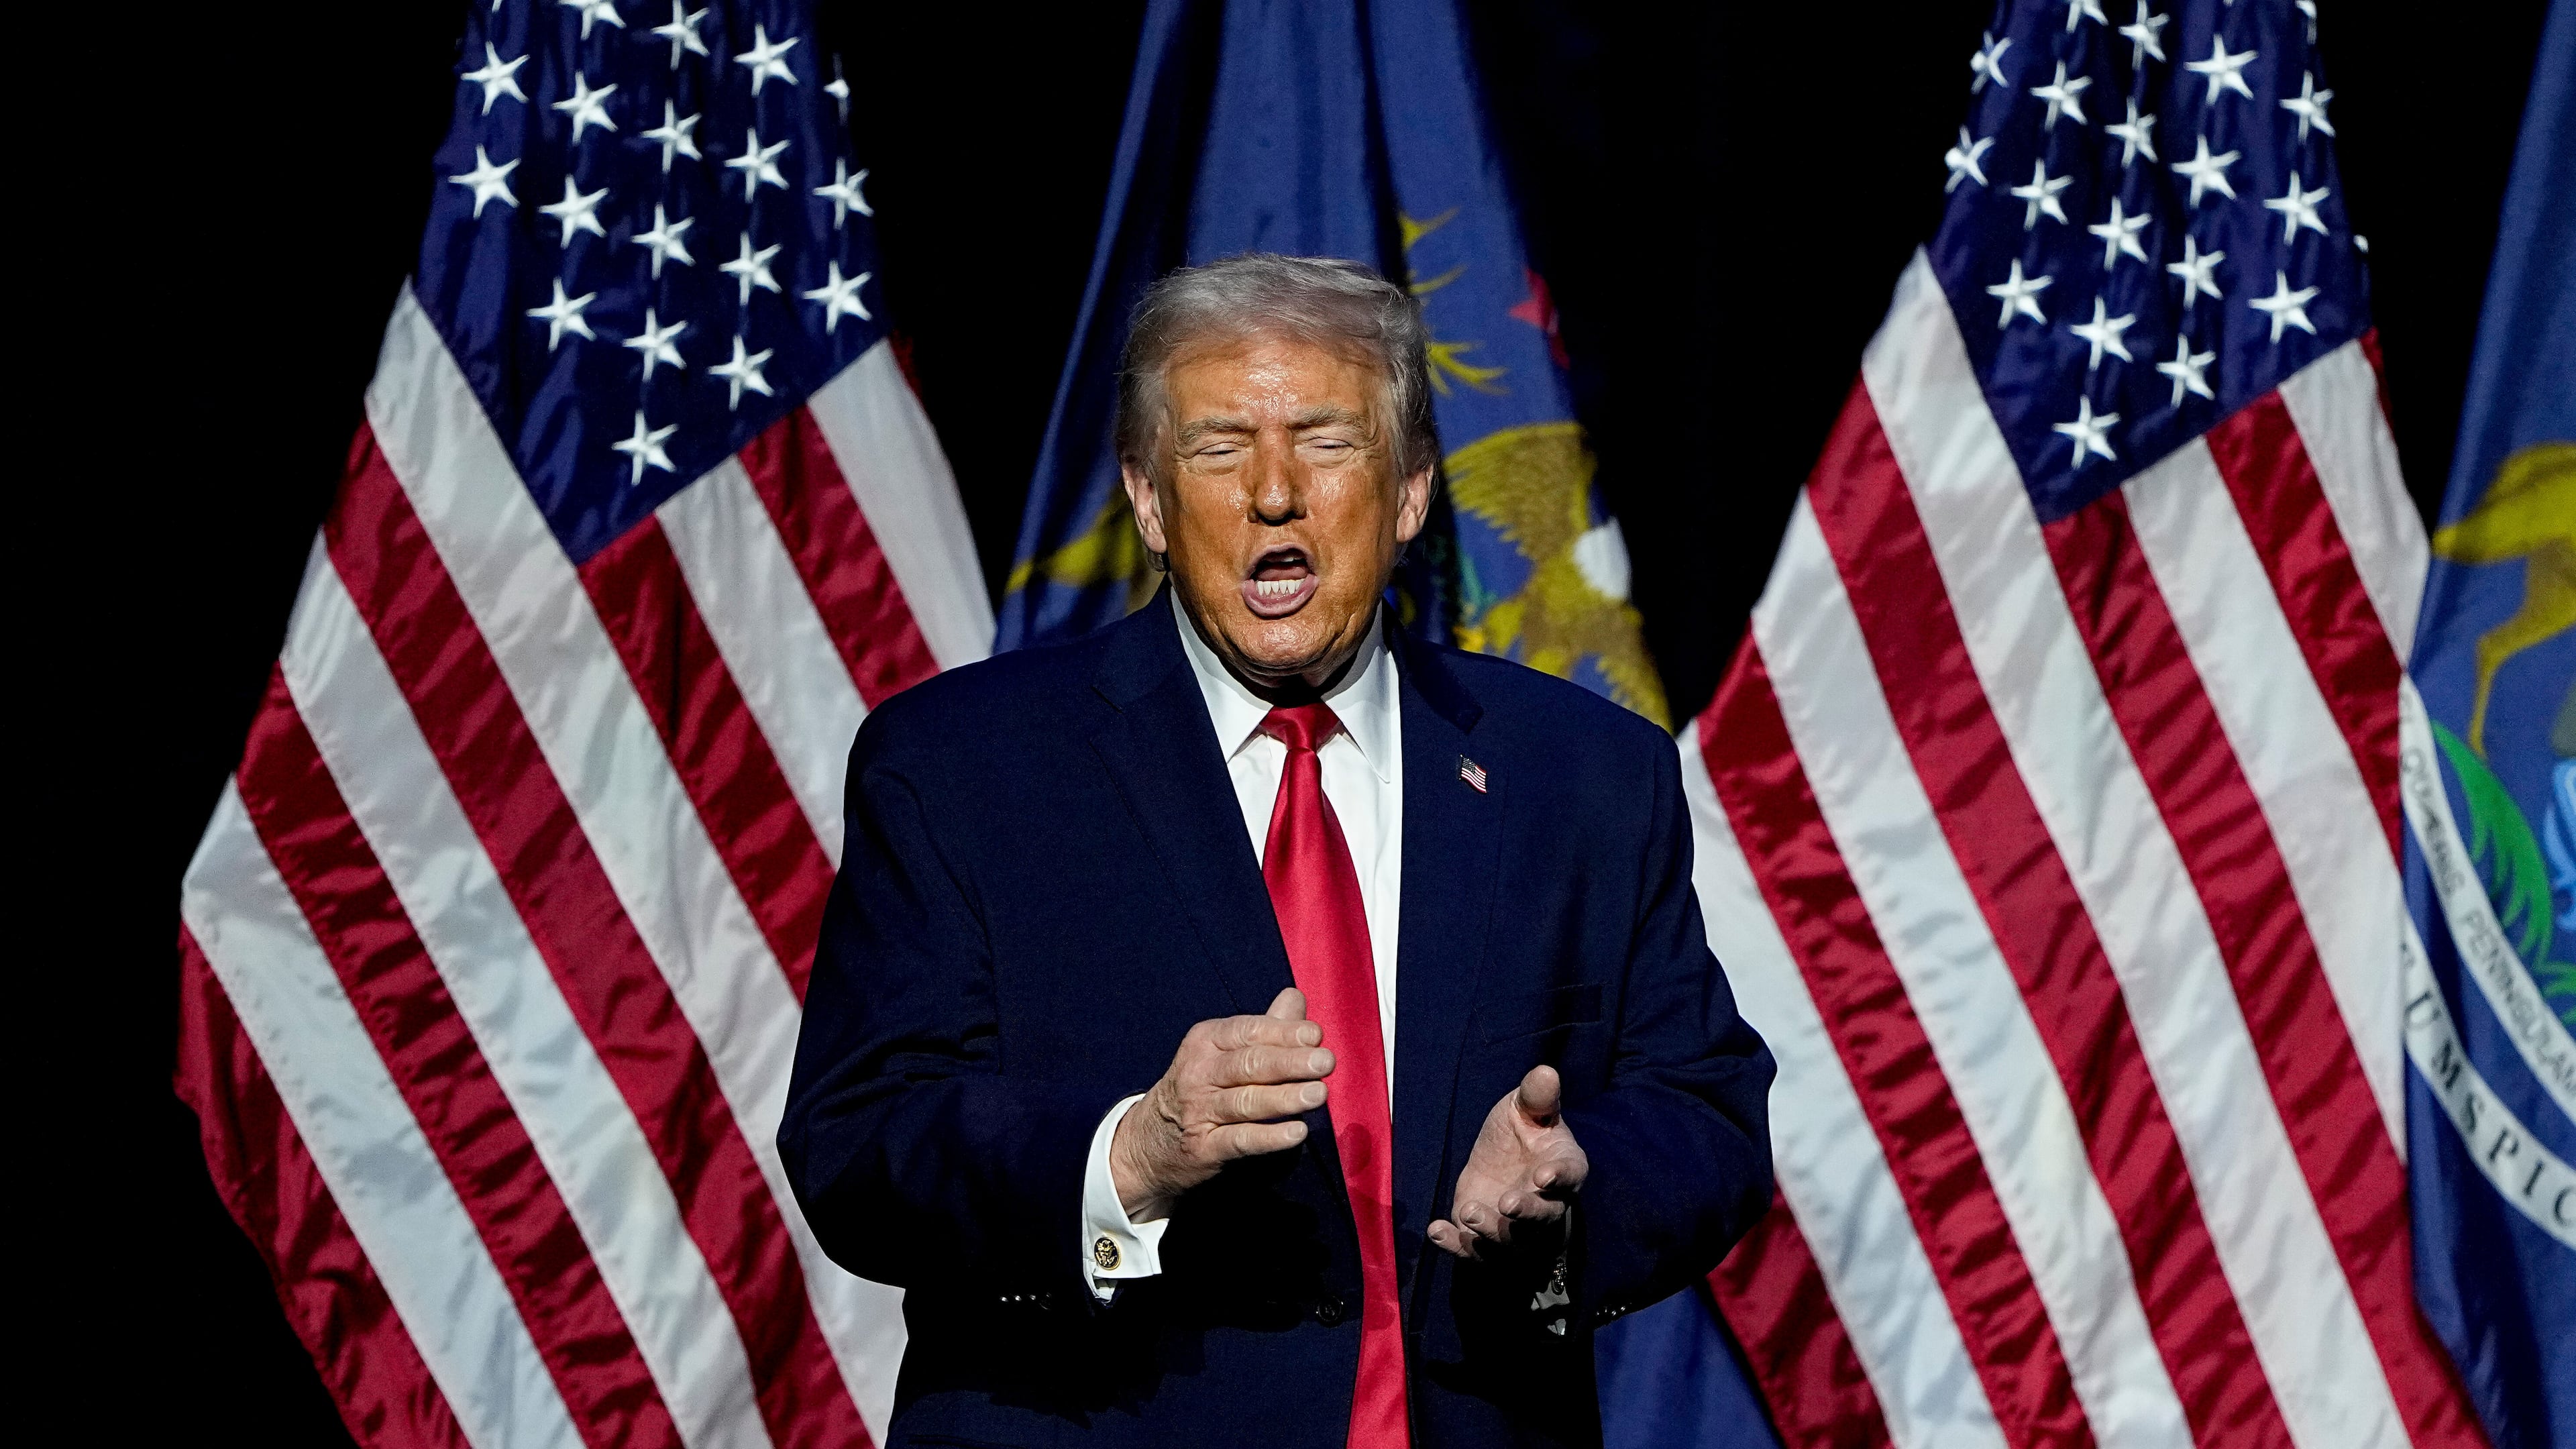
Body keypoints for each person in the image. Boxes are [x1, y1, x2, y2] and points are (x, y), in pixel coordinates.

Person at [780, 253, 1774, 1449]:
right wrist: (1127, 1155)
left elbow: (1706, 1109)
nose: (1273, 494)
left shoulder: (1586, 774)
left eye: (1325, 440)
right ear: (1149, 500)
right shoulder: (958, 768)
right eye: (1217, 448)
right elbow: (859, 1143)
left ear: (1410, 491)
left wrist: (1573, 1199)